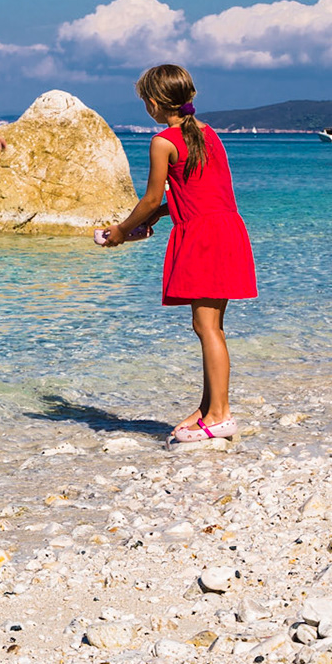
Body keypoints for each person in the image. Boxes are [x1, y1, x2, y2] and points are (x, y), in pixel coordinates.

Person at [99, 63, 257, 444]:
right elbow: (200, 195)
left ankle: (221, 416)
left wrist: (121, 231)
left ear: (153, 103)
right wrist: (162, 215)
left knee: (208, 329)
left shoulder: (163, 141)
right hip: (227, 231)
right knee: (209, 326)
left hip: (203, 238)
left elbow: (153, 197)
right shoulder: (209, 134)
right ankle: (208, 408)